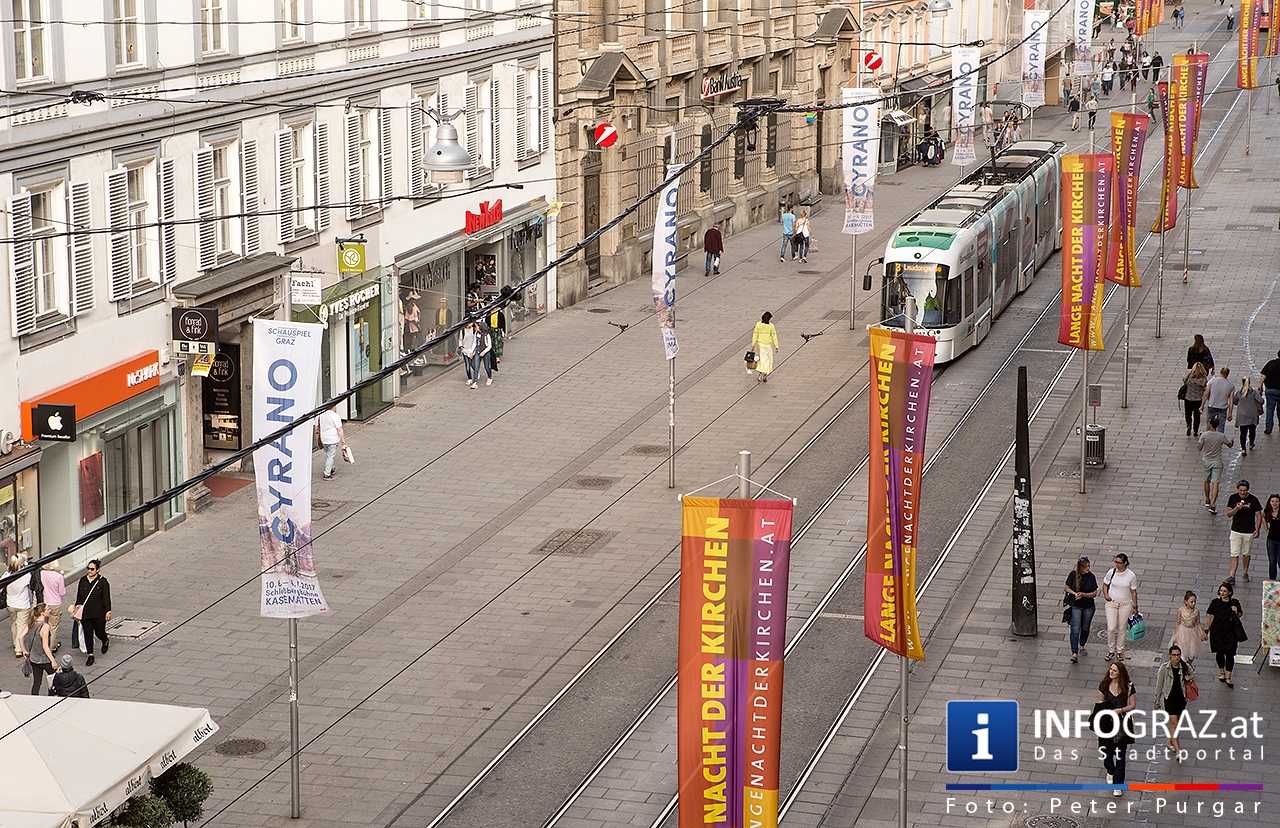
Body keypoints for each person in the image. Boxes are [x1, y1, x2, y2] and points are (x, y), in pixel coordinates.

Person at [1095, 662, 1136, 794]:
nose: (1111, 672)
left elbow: (1133, 705)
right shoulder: (1104, 685)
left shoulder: (1128, 686)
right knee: (1107, 754)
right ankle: (1110, 770)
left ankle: (1118, 785)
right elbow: (1099, 704)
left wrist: (1120, 710)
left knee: (1120, 756)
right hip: (1106, 725)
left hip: (1122, 725)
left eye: (1115, 670)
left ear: (1120, 673)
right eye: (1111, 669)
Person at [1153, 645, 1194, 754]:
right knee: (1175, 724)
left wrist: (1188, 678)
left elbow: (1191, 674)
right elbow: (1159, 686)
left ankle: (1170, 742)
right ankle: (1178, 749)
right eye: (1174, 655)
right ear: (1170, 656)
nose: (1176, 657)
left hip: (1181, 700)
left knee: (1176, 724)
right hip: (1169, 700)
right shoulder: (1164, 668)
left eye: (1178, 655)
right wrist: (1156, 702)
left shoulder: (1184, 666)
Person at [1204, 582, 1244, 688]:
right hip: (1217, 632)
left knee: (1230, 654)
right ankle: (1222, 672)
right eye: (1221, 590)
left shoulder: (1235, 602)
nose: (1222, 593)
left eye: (1225, 591)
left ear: (1230, 592)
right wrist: (1206, 630)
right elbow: (1210, 616)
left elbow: (1240, 614)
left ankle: (1228, 676)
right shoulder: (1215, 602)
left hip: (1231, 633)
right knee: (1220, 653)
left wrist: (1236, 611)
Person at [73, 560, 111, 667]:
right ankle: (90, 655)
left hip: (99, 613)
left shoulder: (103, 582)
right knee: (87, 634)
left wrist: (108, 610)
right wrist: (76, 609)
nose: (89, 571)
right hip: (86, 613)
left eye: (92, 569)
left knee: (99, 632)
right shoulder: (83, 580)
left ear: (98, 570)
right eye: (88, 568)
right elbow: (79, 596)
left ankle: (105, 639)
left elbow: (106, 598)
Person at [1102, 553, 1139, 663]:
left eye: (1119, 563)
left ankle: (1119, 651)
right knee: (1111, 628)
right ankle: (1110, 650)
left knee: (1122, 628)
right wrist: (1106, 595)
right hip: (1111, 603)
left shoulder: (1131, 575)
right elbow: (1105, 584)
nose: (1117, 564)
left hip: (1125, 604)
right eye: (1116, 562)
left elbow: (1133, 592)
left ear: (1125, 563)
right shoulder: (1111, 572)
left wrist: (1135, 606)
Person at [1225, 479, 1262, 582]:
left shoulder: (1253, 499)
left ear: (1248, 490)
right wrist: (1236, 508)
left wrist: (1257, 529)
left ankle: (1245, 572)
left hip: (1249, 531)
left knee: (1246, 554)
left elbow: (1259, 515)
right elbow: (1228, 514)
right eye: (1240, 490)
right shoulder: (1233, 498)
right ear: (1237, 489)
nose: (1242, 492)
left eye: (1245, 490)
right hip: (1236, 530)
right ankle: (1232, 575)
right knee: (1234, 553)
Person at [1065, 556, 1099, 664]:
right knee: (1075, 628)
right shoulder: (1073, 575)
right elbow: (1066, 587)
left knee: (1085, 627)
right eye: (1085, 567)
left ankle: (1082, 644)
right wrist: (1075, 593)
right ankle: (1074, 652)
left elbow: (1094, 593)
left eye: (1088, 566)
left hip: (1088, 606)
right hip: (1076, 605)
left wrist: (1083, 594)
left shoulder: (1091, 577)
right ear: (1080, 567)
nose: (1088, 568)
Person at [22, 603, 57, 695]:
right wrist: (53, 660)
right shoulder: (45, 627)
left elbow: (20, 637)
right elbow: (45, 646)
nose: (50, 610)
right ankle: (52, 696)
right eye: (48, 609)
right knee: (54, 679)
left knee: (37, 683)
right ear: (42, 613)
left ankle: (34, 699)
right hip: (44, 659)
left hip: (33, 659)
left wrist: (24, 650)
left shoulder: (31, 623)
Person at [1198, 421, 1232, 513]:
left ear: (1210, 424)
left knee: (1206, 481)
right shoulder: (1221, 436)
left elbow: (1199, 448)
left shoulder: (1204, 435)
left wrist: (1199, 438)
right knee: (1215, 483)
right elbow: (1229, 445)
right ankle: (1213, 504)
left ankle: (1207, 499)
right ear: (1217, 425)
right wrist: (1232, 441)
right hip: (1217, 462)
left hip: (1206, 461)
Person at [6, 555, 34, 658]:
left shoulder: (7, 574)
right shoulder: (25, 575)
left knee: (14, 624)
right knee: (21, 626)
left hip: (10, 604)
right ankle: (18, 648)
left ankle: (15, 642)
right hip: (23, 604)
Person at [1169, 591, 1204, 663]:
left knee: (1191, 653)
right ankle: (1183, 664)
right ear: (1186, 602)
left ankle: (1188, 666)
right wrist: (1174, 636)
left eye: (1195, 602)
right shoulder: (1181, 610)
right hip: (1182, 633)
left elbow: (1198, 623)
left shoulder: (1196, 611)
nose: (1193, 603)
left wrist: (1201, 633)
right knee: (1182, 652)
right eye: (1191, 602)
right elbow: (1177, 623)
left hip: (1192, 634)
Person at [40, 561, 66, 653]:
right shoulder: (58, 576)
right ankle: (51, 648)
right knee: (53, 627)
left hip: (45, 602)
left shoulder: (42, 574)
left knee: (44, 625)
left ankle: (44, 645)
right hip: (55, 603)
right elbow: (62, 592)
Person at [458, 321, 492, 389]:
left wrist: (484, 352)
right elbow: (474, 343)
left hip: (485, 353)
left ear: (480, 327)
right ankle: (474, 383)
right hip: (477, 352)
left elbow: (489, 346)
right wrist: (471, 351)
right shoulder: (476, 333)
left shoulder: (486, 335)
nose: (475, 327)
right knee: (476, 367)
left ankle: (489, 377)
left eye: (476, 326)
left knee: (487, 367)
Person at [1233, 377, 1263, 454]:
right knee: (1252, 431)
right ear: (1249, 382)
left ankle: (1243, 449)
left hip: (1242, 416)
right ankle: (1251, 444)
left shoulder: (1239, 392)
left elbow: (1235, 402)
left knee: (1243, 433)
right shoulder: (1254, 392)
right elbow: (1261, 401)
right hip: (1252, 416)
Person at [316, 404, 346, 481]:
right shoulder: (335, 416)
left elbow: (317, 428)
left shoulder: (321, 415)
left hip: (324, 439)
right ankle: (327, 474)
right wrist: (343, 441)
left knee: (328, 454)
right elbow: (339, 429)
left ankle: (331, 468)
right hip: (332, 439)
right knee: (330, 456)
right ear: (333, 406)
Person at [751, 312, 780, 383]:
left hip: (760, 345)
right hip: (767, 346)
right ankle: (763, 376)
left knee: (763, 361)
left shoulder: (758, 324)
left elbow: (755, 335)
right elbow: (774, 336)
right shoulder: (771, 326)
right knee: (768, 361)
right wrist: (776, 346)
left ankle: (761, 375)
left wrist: (753, 345)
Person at [1202, 367, 1233, 432]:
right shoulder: (1230, 385)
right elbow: (1231, 401)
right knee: (1221, 426)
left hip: (1212, 405)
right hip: (1223, 408)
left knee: (1209, 424)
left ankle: (1208, 438)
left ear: (1220, 372)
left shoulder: (1212, 381)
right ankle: (1219, 440)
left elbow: (1206, 393)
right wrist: (1230, 413)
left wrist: (1202, 405)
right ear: (1227, 374)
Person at [1183, 362, 1208, 436]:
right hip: (1198, 400)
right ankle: (1195, 431)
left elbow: (1184, 380)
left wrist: (1189, 372)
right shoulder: (1203, 378)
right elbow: (1205, 387)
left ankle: (1188, 425)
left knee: (1188, 414)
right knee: (1197, 416)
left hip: (1188, 398)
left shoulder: (1190, 377)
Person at [1260, 349, 1280, 433]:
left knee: (1270, 410)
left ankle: (1268, 428)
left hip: (1270, 390)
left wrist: (1260, 386)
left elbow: (1263, 376)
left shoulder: (1271, 363)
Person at [1264, 493, 1280, 581]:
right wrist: (1266, 528)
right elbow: (1263, 518)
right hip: (1271, 540)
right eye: (1272, 501)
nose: (1274, 503)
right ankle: (1272, 580)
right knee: (1272, 561)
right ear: (1269, 502)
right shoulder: (1267, 512)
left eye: (1277, 501)